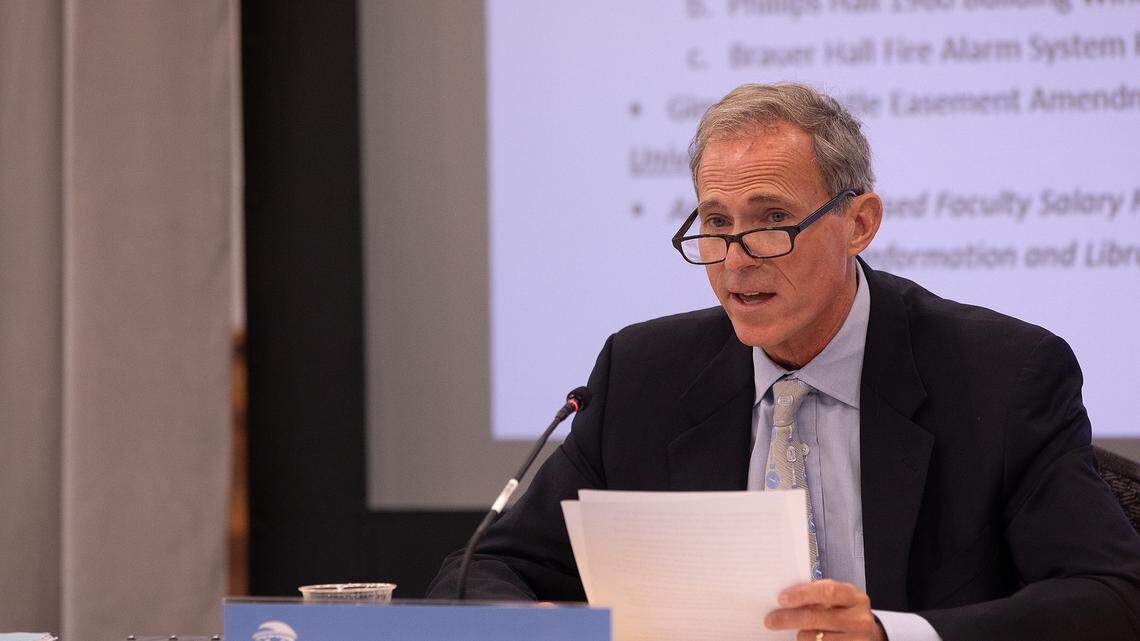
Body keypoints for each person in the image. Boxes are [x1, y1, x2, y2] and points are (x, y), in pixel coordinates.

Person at [428, 83, 1140, 640]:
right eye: (716, 223)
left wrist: (890, 633)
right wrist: (542, 626)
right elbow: (484, 568)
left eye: (771, 219)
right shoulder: (645, 373)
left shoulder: (1000, 374)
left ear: (859, 222)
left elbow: (1111, 594)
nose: (736, 261)